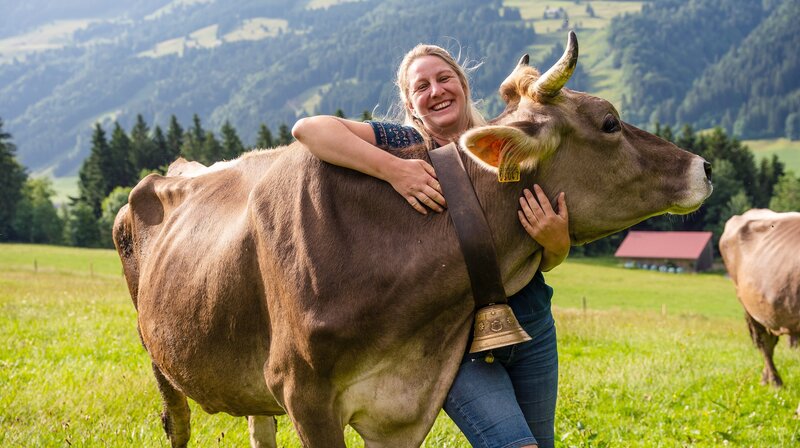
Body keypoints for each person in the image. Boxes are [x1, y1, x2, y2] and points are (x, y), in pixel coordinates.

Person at [292, 44, 570, 448]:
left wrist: (556, 244)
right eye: (421, 86)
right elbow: (308, 129)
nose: (436, 90)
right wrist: (394, 170)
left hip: (533, 324)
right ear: (410, 102)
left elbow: (537, 260)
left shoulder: (500, 145)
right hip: (452, 336)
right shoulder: (403, 143)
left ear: (463, 84)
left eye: (444, 79)